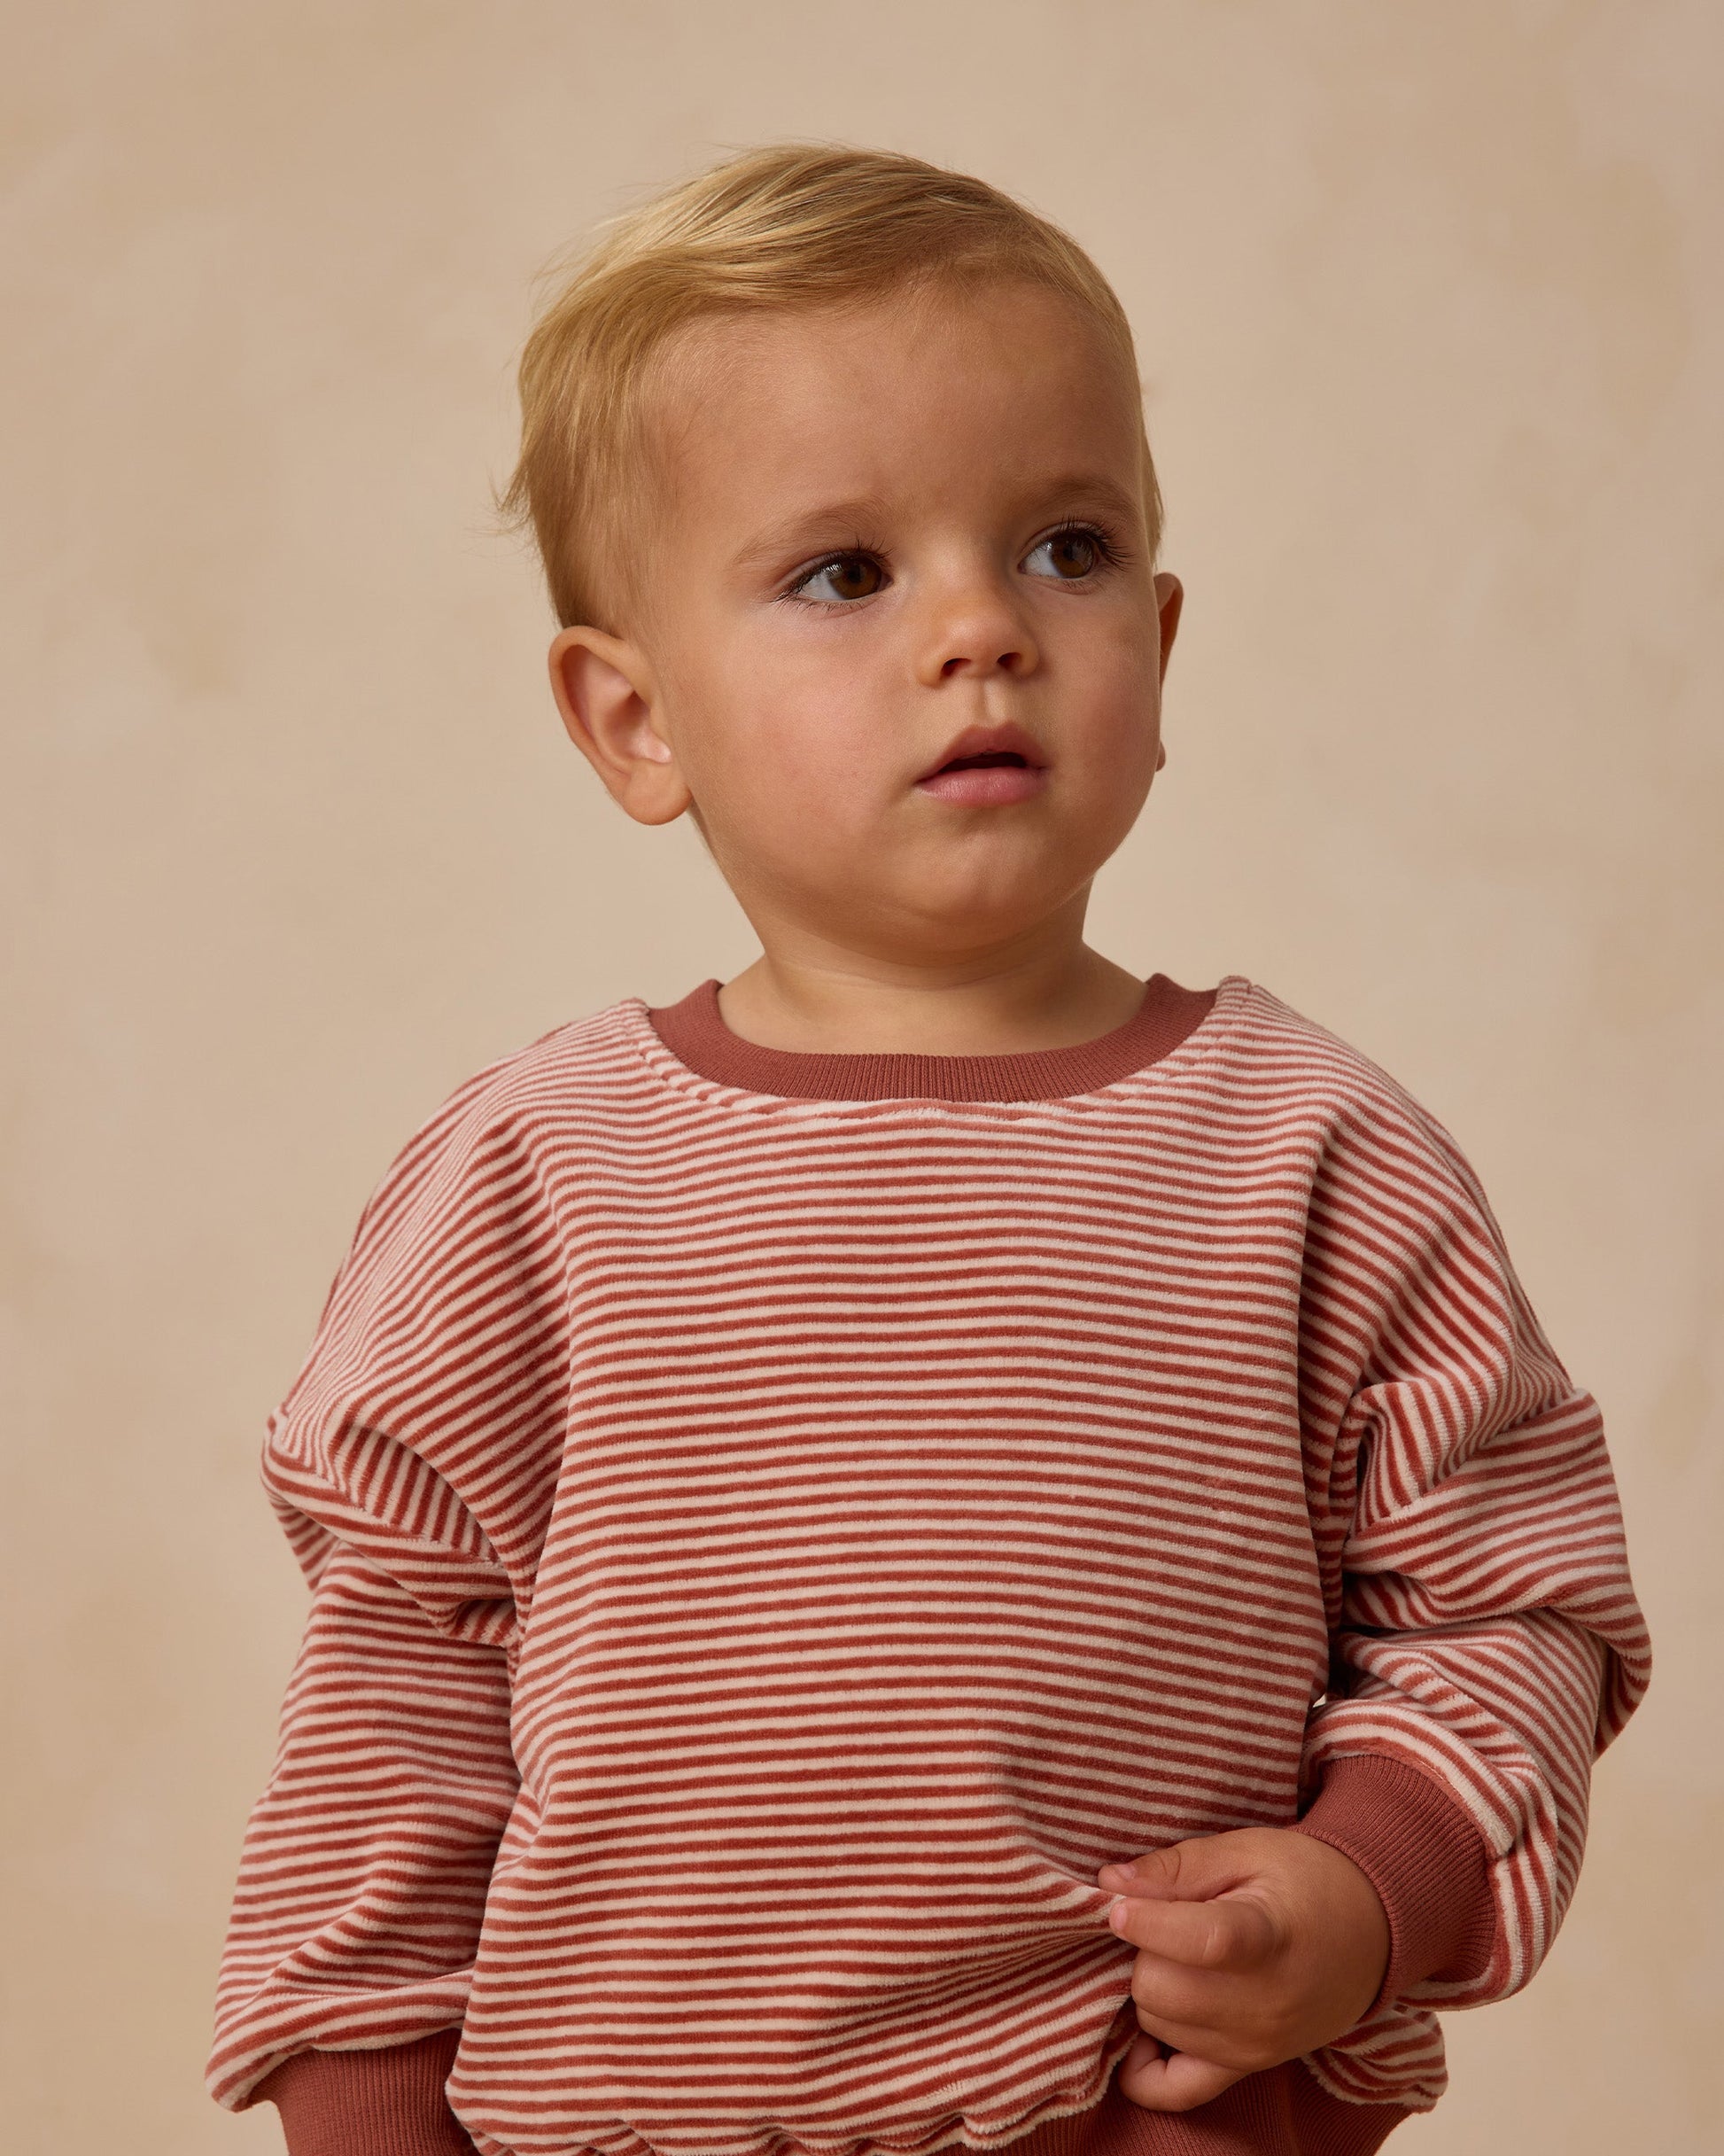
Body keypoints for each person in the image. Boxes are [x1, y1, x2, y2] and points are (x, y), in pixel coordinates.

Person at [205, 144, 1650, 2156]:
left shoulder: (1311, 1149)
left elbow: (1514, 1608)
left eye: (1061, 545)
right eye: (843, 572)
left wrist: (1369, 1880)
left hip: (1156, 2114)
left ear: (1161, 635)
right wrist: (361, 2096)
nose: (979, 627)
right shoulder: (536, 1174)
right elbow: (399, 1683)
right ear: (635, 721)